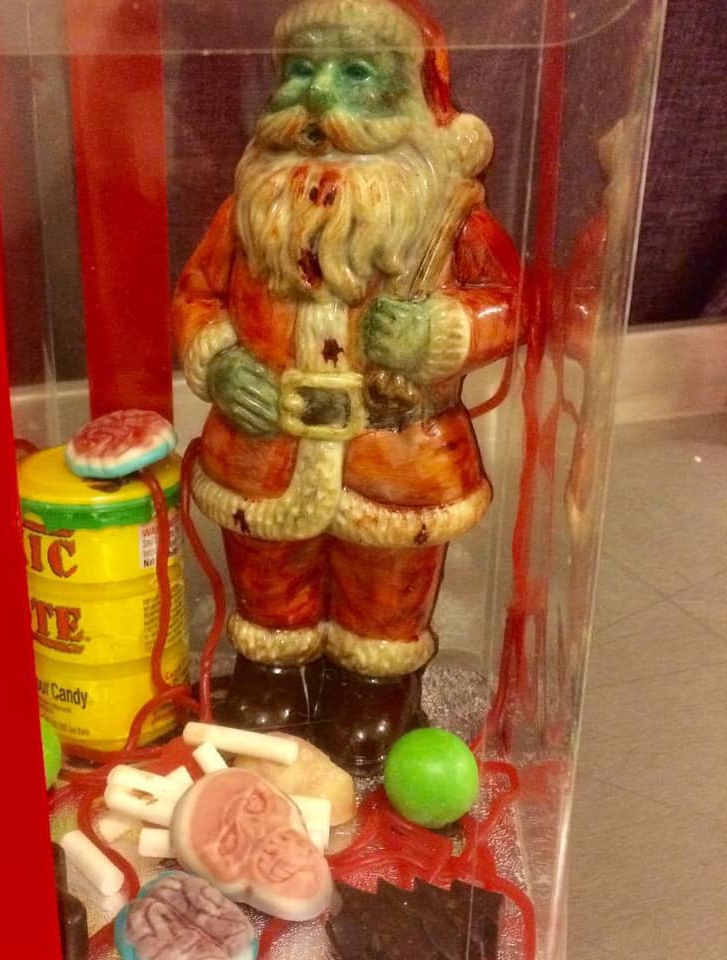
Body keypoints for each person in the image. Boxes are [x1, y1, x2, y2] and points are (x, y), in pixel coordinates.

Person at [172, 0, 521, 769]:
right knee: (270, 574)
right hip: (265, 451)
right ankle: (274, 676)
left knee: (384, 587)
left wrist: (445, 331)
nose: (319, 96)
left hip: (393, 455)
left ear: (415, 99)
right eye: (301, 70)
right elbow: (197, 296)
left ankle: (374, 688)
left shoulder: (449, 215)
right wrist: (221, 361)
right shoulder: (248, 210)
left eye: (356, 72)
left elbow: (512, 303)